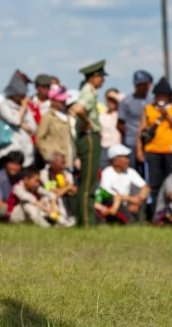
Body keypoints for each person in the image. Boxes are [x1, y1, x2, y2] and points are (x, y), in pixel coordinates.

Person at [136, 77, 172, 217]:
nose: (161, 98)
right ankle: (156, 214)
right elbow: (141, 130)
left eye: (163, 95)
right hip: (152, 151)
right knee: (155, 184)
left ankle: (171, 213)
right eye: (158, 95)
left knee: (170, 183)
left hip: (170, 150)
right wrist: (139, 149)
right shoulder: (148, 109)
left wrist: (166, 115)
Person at [70, 60, 107, 227]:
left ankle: (83, 219)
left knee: (87, 181)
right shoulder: (89, 91)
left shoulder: (87, 90)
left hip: (87, 136)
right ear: (94, 77)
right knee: (89, 182)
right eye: (101, 77)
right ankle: (86, 221)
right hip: (90, 137)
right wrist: (87, 122)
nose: (103, 81)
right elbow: (78, 109)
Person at [98, 144, 150, 224]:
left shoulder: (130, 171)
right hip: (115, 205)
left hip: (128, 203)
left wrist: (138, 201)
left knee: (143, 200)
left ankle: (138, 221)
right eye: (125, 158)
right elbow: (111, 196)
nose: (128, 160)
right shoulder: (107, 173)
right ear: (116, 160)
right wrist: (132, 199)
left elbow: (146, 188)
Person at [0, 71, 36, 168]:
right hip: (9, 152)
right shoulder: (3, 105)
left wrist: (21, 123)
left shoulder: (27, 108)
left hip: (26, 153)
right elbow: (16, 121)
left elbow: (34, 128)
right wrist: (23, 107)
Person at [117, 70, 152, 172]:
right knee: (132, 171)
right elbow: (120, 124)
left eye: (144, 84)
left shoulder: (153, 100)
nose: (142, 87)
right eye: (139, 84)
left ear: (148, 84)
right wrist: (128, 135)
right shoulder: (126, 101)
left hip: (149, 141)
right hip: (131, 142)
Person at [36, 85, 76, 170]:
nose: (64, 102)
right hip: (56, 163)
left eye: (64, 100)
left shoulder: (66, 116)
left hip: (68, 160)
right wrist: (50, 155)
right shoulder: (48, 116)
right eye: (61, 101)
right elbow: (40, 138)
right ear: (53, 101)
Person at [40, 151, 77, 227]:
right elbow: (50, 191)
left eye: (64, 163)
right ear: (52, 163)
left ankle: (72, 218)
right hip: (50, 199)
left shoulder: (66, 173)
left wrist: (65, 189)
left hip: (66, 198)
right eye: (61, 163)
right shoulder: (44, 173)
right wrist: (67, 188)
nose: (63, 166)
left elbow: (75, 190)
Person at [99, 88, 124, 169]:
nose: (110, 101)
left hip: (117, 148)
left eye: (112, 99)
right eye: (108, 99)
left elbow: (124, 99)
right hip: (104, 149)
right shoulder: (101, 116)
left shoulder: (120, 115)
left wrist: (116, 97)